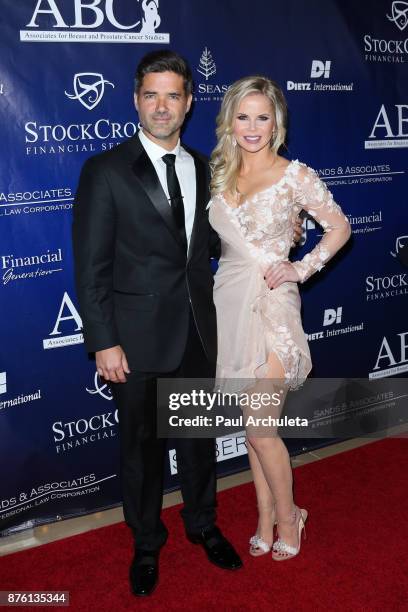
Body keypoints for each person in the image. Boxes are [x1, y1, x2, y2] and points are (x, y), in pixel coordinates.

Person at [72, 50, 244, 598]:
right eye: (152, 95)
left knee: (198, 441)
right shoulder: (106, 170)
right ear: (136, 101)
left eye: (173, 95)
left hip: (199, 331)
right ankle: (147, 543)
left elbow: (213, 245)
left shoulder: (206, 167)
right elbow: (92, 266)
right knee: (142, 451)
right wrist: (104, 341)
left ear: (190, 103)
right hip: (137, 339)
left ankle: (203, 525)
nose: (162, 105)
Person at [208, 76, 351, 561]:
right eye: (243, 116)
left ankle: (291, 516)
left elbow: (339, 227)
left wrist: (301, 266)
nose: (252, 127)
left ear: (277, 123)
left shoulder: (296, 176)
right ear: (230, 121)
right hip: (229, 302)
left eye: (262, 117)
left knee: (260, 428)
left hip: (272, 307)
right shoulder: (221, 175)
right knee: (252, 428)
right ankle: (264, 516)